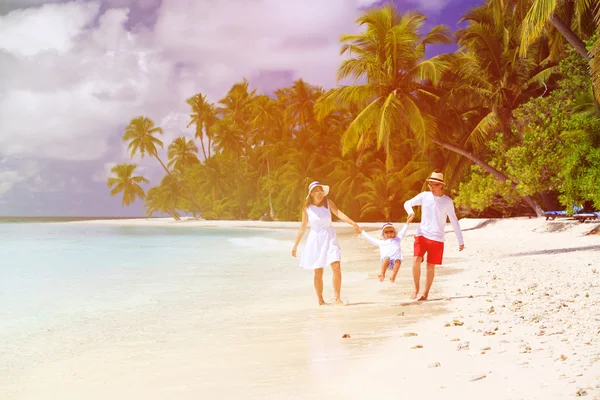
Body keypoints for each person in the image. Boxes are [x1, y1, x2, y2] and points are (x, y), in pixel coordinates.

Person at [292, 181, 361, 306]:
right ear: (311, 194)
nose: (319, 193)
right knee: (318, 272)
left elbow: (339, 213)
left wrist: (353, 223)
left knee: (336, 266)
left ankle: (337, 298)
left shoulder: (328, 204)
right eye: (316, 191)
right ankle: (320, 300)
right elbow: (302, 228)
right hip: (316, 240)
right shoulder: (307, 208)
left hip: (329, 237)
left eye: (321, 191)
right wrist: (295, 246)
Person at [403, 172, 465, 301]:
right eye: (430, 184)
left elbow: (453, 220)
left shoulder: (447, 202)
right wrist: (411, 212)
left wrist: (460, 240)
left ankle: (425, 294)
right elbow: (407, 203)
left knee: (430, 266)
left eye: (434, 185)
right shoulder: (424, 196)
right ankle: (416, 288)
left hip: (437, 238)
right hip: (422, 234)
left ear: (441, 186)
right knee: (415, 260)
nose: (431, 187)